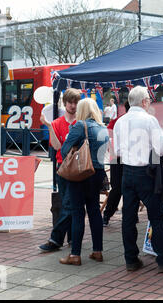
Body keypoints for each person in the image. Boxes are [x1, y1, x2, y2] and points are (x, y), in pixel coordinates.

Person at [113, 86, 163, 273]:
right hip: (146, 173)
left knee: (128, 218)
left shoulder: (119, 122)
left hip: (127, 172)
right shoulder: (149, 120)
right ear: (144, 101)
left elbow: (117, 152)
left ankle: (131, 259)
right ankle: (162, 259)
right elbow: (161, 150)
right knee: (156, 216)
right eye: (149, 100)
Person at [59, 98, 109, 266]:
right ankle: (97, 251)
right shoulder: (103, 128)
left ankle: (75, 255)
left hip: (81, 173)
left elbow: (65, 149)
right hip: (98, 173)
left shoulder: (80, 126)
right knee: (94, 211)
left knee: (78, 212)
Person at [38, 88, 81, 252]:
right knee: (67, 203)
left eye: (76, 102)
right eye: (70, 102)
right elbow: (56, 146)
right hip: (62, 167)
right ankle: (68, 238)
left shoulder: (81, 122)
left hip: (78, 167)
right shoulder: (57, 123)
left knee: (69, 204)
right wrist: (49, 126)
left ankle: (56, 239)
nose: (73, 105)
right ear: (65, 103)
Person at [102, 101, 130, 227]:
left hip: (118, 159)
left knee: (118, 188)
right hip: (122, 159)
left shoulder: (117, 120)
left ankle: (108, 215)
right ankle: (110, 215)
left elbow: (107, 138)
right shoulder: (119, 120)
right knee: (123, 188)